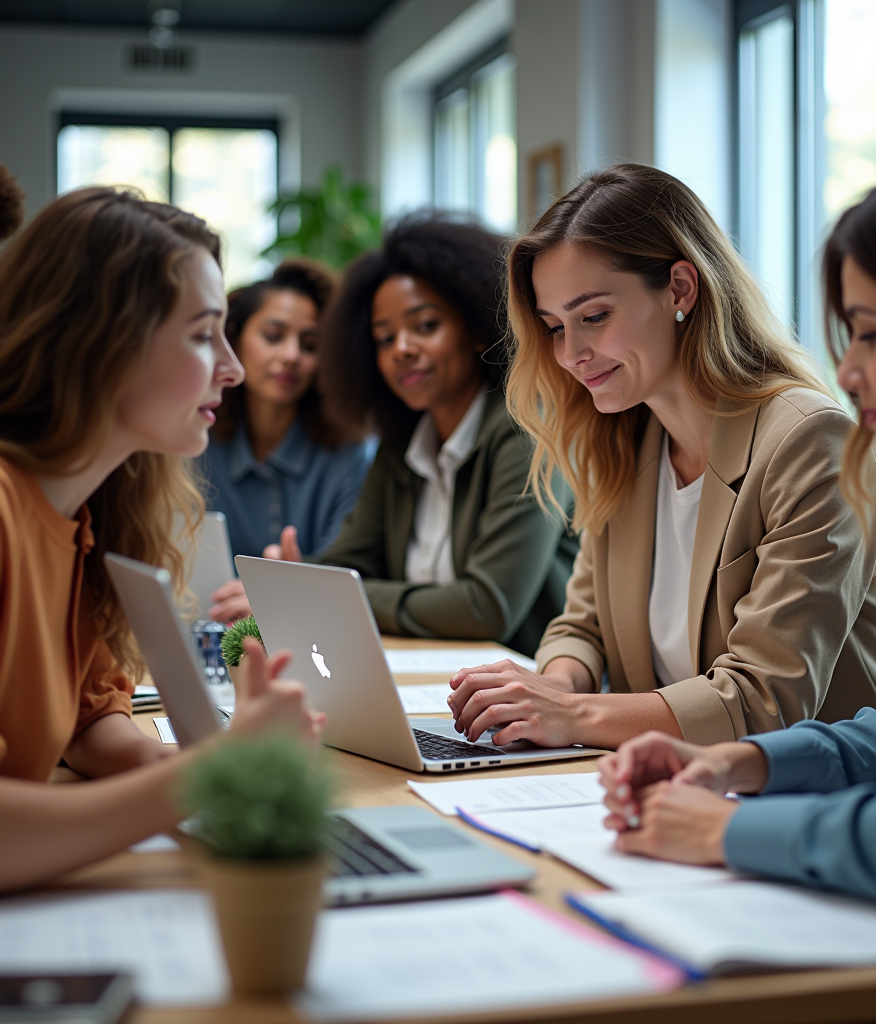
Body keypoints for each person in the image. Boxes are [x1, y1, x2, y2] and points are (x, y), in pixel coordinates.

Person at [597, 133, 876, 913]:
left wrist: (720, 835)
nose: (849, 372)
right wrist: (741, 764)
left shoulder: (806, 435)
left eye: (870, 332)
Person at [447, 163, 876, 750]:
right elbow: (581, 625)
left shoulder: (810, 441)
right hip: (663, 783)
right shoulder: (625, 439)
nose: (571, 354)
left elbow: (767, 700)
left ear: (681, 289)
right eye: (555, 327)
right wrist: (544, 688)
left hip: (812, 802)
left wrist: (570, 712)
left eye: (594, 317)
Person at [0, 185, 324, 892]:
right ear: (101, 341)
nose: (232, 369)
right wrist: (211, 773)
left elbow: (89, 714)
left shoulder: (76, 517)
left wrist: (180, 772)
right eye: (204, 334)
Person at [221, 213, 578, 656]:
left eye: (425, 326)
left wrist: (330, 592)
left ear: (474, 327)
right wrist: (292, 579)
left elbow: (488, 605)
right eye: (384, 338)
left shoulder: (528, 431)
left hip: (525, 689)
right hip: (431, 678)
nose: (401, 349)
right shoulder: (402, 443)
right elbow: (349, 560)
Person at [199, 261, 374, 586]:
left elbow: (342, 580)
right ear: (233, 339)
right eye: (273, 336)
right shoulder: (196, 442)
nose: (291, 355)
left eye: (310, 345)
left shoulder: (352, 453)